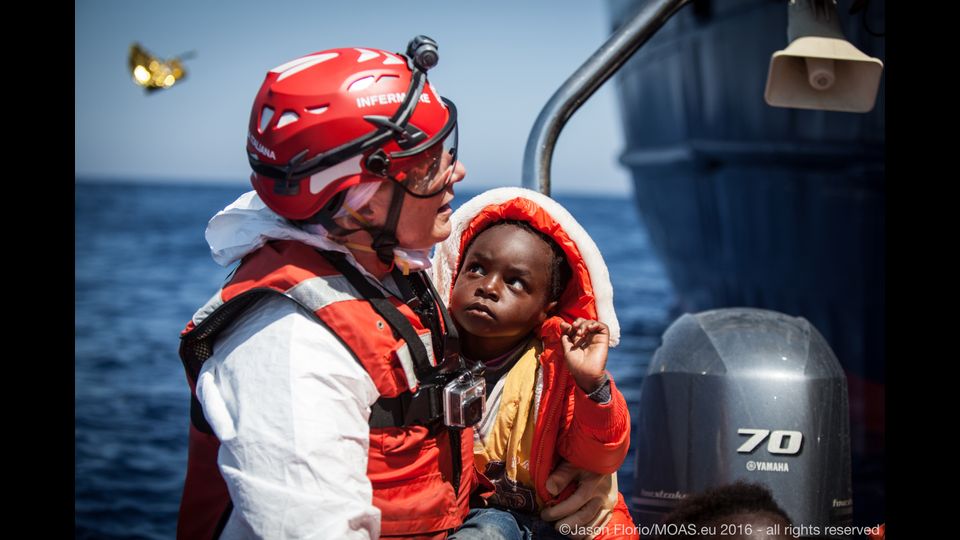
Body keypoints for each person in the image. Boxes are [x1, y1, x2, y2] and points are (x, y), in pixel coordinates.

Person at [175, 36, 485, 539]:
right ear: (360, 201)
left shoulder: (383, 263)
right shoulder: (289, 345)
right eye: (428, 165)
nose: (457, 172)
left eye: (445, 151)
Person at [432, 188, 638, 540]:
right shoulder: (430, 355)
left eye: (515, 282)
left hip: (565, 521)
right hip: (483, 517)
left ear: (548, 307)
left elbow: (602, 458)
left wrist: (592, 385)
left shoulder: (559, 367)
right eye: (477, 269)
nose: (489, 287)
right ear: (454, 273)